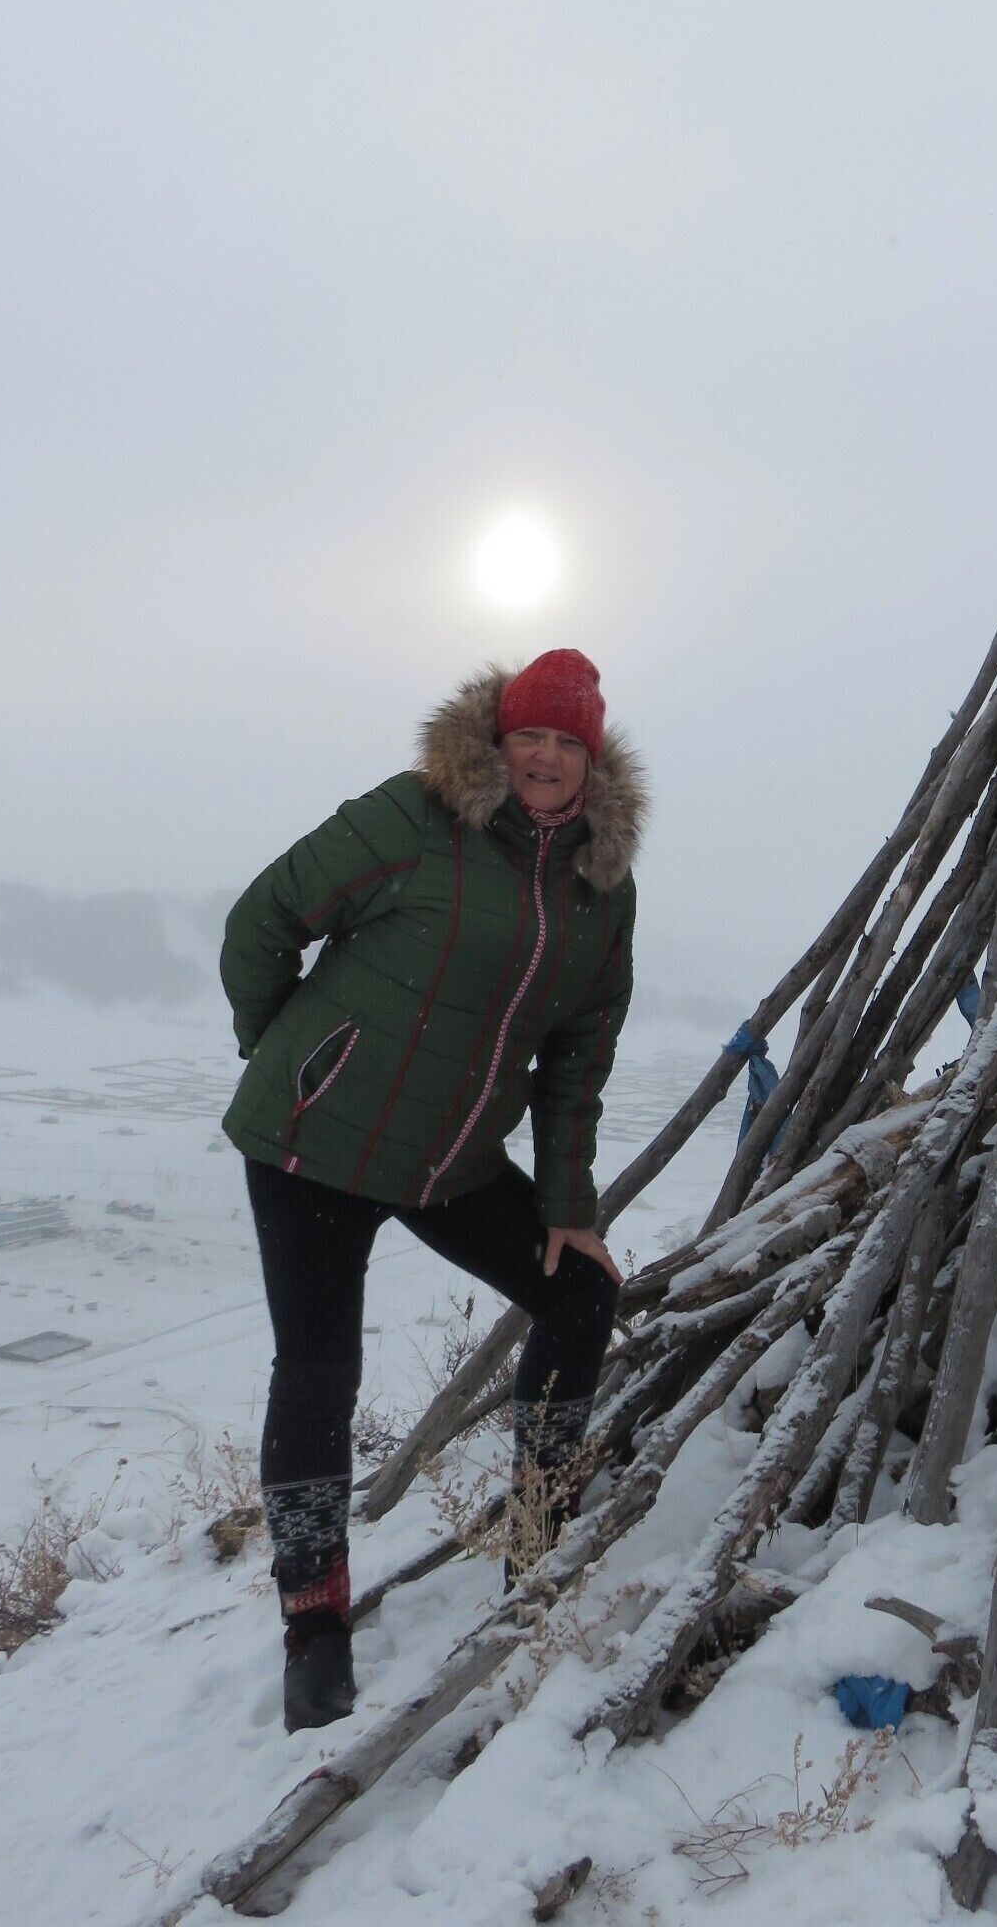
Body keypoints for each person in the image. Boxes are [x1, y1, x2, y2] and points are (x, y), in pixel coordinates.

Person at [218, 648, 645, 1731]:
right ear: (497, 742)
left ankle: (537, 1546)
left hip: (447, 1163)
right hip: (312, 1144)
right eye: (530, 735)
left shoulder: (600, 886)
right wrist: (291, 1056)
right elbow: (264, 918)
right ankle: (314, 1627)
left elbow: (579, 1055)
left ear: (592, 765)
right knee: (320, 1366)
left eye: (568, 742)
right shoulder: (416, 817)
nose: (546, 758)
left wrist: (565, 1207)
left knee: (580, 1294)